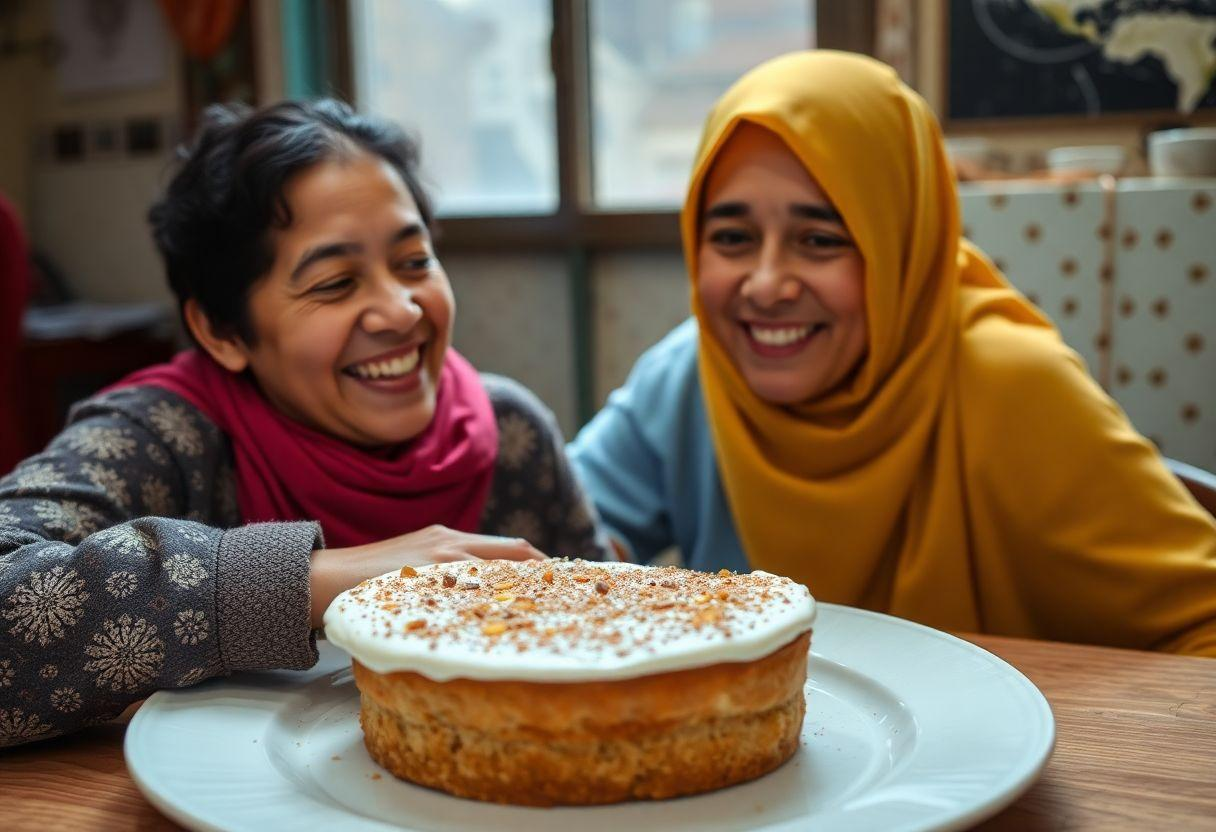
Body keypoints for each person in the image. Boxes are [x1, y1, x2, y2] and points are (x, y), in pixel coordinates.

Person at [0, 100, 608, 747]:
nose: (400, 312)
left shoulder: (511, 433)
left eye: (413, 262)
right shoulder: (160, 437)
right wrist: (314, 581)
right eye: (335, 282)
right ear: (222, 329)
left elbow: (607, 632)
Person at [570, 51, 1216, 656]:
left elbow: (1201, 621)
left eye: (820, 240)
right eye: (733, 237)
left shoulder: (1009, 382)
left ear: (901, 245)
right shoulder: (691, 373)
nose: (766, 285)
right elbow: (563, 542)